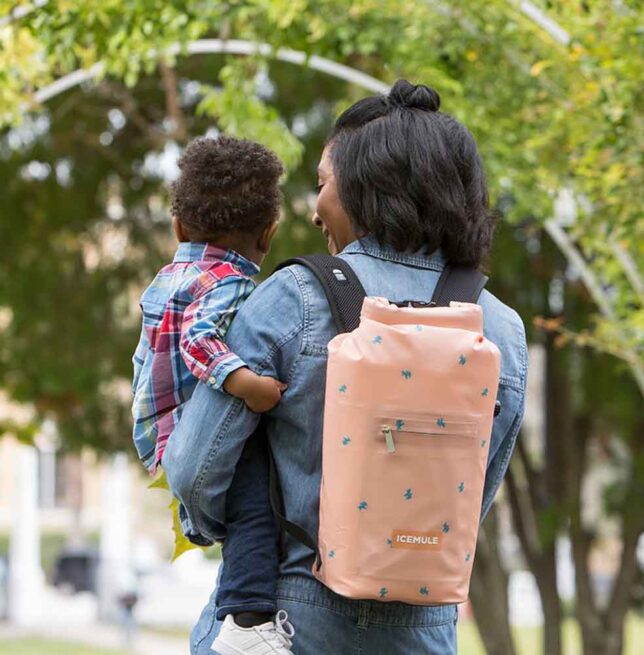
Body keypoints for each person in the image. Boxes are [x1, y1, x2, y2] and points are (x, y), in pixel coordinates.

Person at [164, 80, 528, 654]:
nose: (314, 211)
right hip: (423, 630)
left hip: (284, 619)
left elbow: (194, 467)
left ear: (366, 189)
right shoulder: (499, 326)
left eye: (324, 186)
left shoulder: (294, 296)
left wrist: (229, 529)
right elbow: (472, 494)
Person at [131, 136, 294, 654]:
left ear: (179, 227)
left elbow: (144, 358)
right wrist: (250, 387)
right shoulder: (227, 279)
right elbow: (199, 341)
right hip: (188, 430)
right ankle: (249, 622)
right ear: (267, 235)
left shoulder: (168, 278)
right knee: (254, 508)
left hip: (159, 428)